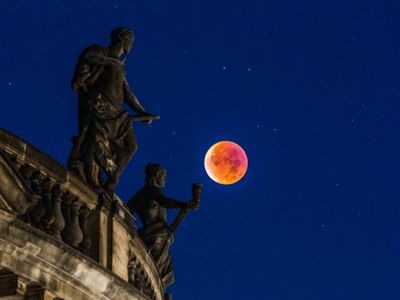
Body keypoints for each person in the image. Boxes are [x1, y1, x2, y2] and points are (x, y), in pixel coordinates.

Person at [68, 27, 154, 193]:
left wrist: (143, 112)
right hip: (100, 107)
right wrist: (112, 62)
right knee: (96, 144)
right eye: (131, 41)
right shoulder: (101, 51)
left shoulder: (120, 67)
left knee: (130, 147)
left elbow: (127, 92)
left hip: (117, 114)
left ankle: (112, 180)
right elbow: (89, 56)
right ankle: (93, 180)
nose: (132, 46)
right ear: (123, 39)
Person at [127, 163, 199, 287]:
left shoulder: (142, 195)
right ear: (155, 176)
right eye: (163, 175)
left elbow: (128, 209)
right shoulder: (150, 192)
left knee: (160, 273)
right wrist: (184, 205)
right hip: (155, 238)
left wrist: (185, 208)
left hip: (158, 237)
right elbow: (166, 202)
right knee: (157, 272)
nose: (165, 179)